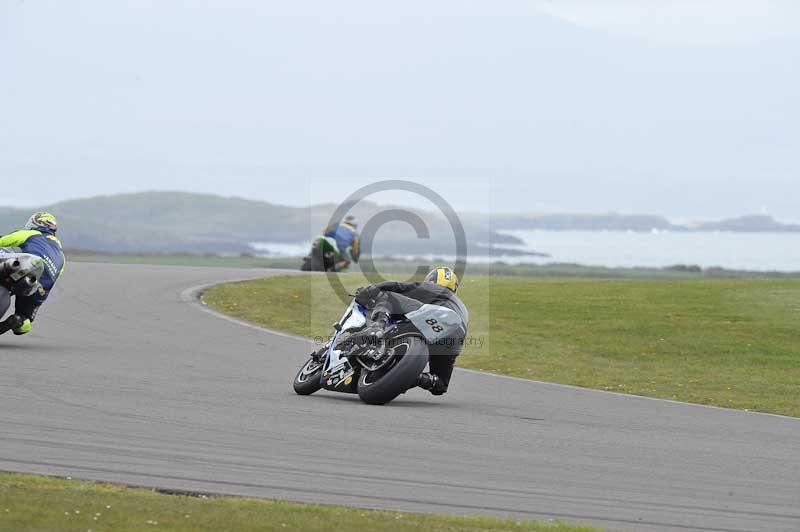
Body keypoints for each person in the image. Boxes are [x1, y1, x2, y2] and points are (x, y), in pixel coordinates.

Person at [354, 266, 468, 396]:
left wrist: (373, 288)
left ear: (432, 280)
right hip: (453, 340)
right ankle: (419, 378)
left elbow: (401, 286)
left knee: (389, 296)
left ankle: (377, 327)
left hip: (433, 320)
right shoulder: (462, 308)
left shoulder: (435, 289)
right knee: (440, 384)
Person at [0, 212, 65, 336]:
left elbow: (2, 241)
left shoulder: (32, 234)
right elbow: (56, 276)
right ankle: (17, 321)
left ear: (37, 223)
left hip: (25, 266)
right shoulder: (62, 256)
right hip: (40, 287)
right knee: (25, 321)